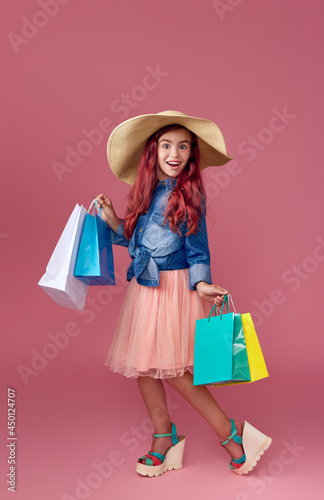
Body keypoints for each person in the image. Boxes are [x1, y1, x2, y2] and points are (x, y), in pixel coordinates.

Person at [96, 110, 271, 477]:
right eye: (166, 145)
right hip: (146, 290)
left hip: (174, 289)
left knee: (175, 371)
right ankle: (165, 437)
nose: (174, 153)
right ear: (152, 151)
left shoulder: (188, 195)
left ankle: (232, 433)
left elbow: (198, 247)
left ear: (192, 154)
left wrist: (202, 282)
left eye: (183, 146)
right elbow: (136, 244)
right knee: (145, 367)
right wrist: (113, 218)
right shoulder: (145, 194)